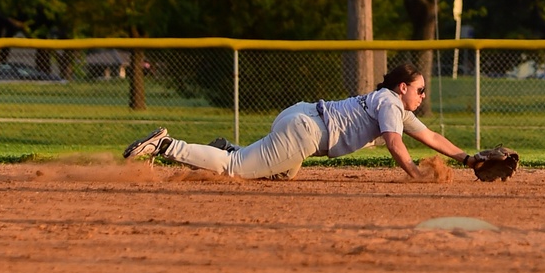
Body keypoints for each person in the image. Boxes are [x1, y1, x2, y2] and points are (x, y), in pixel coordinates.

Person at [123, 63, 476, 180]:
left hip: (303, 116)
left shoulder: (394, 106)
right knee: (235, 169)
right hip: (307, 131)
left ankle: (227, 148)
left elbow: (430, 136)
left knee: (282, 172)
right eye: (420, 90)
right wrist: (414, 173)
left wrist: (468, 159)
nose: (423, 95)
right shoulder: (389, 103)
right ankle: (166, 145)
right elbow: (396, 145)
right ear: (403, 88)